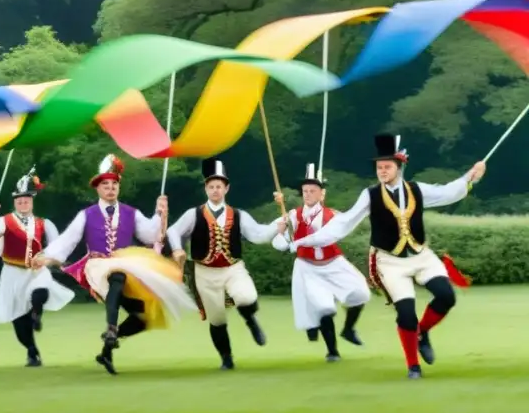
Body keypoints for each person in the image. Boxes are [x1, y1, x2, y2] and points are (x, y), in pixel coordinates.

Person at [291, 134, 485, 379]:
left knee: (446, 296)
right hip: (390, 262)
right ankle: (413, 366)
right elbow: (344, 222)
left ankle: (422, 332)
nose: (382, 171)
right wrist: (305, 240)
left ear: (399, 166)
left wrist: (471, 176)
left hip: (421, 255)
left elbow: (448, 193)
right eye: (379, 167)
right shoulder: (370, 195)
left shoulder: (417, 189)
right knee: (406, 312)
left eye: (387, 167)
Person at [34, 154, 194, 375]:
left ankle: (107, 350)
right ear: (97, 189)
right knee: (116, 274)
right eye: (105, 185)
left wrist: (161, 215)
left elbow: (150, 235)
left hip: (128, 264)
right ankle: (110, 327)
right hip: (97, 265)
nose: (110, 188)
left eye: (114, 184)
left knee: (144, 317)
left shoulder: (131, 213)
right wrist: (48, 257)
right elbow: (68, 240)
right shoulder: (86, 215)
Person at [167, 157, 285, 370]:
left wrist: (278, 226)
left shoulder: (239, 215)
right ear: (206, 189)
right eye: (211, 186)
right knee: (217, 318)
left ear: (226, 188)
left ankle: (251, 321)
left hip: (233, 268)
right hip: (205, 272)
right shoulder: (193, 214)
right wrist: (177, 248)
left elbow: (258, 234)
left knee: (246, 296)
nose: (215, 190)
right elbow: (173, 230)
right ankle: (226, 358)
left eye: (219, 186)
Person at [0, 166, 74, 366]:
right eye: (19, 200)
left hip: (36, 270)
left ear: (32, 201)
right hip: (12, 273)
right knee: (18, 319)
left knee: (41, 290)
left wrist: (53, 260)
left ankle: (36, 314)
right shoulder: (3, 222)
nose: (23, 203)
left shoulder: (44, 224)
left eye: (26, 199)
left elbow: (57, 247)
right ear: (15, 202)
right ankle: (32, 351)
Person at [271, 164, 369, 361]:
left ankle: (349, 329)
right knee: (325, 307)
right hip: (308, 267)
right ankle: (332, 351)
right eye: (305, 191)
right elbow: (278, 243)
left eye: (312, 191)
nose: (307, 194)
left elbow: (343, 227)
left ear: (321, 194)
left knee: (361, 292)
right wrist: (282, 234)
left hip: (333, 262)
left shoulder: (334, 215)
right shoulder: (292, 216)